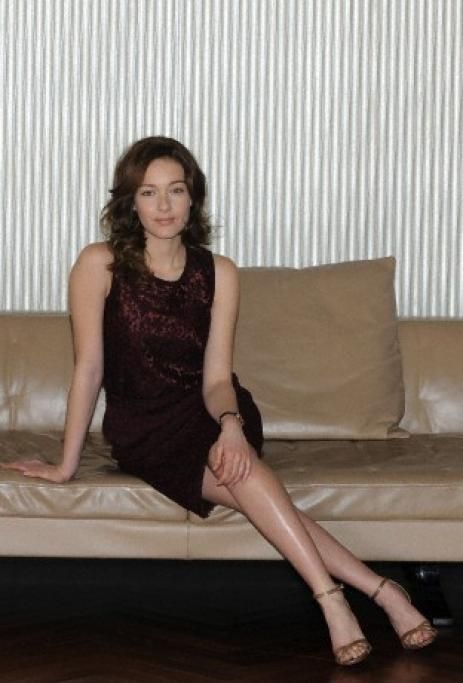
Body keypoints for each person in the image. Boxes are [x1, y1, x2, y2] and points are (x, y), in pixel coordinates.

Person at [4, 137, 437, 666]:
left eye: (176, 190)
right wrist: (66, 465)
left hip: (211, 410)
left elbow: (215, 379)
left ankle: (334, 601)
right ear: (131, 203)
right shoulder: (101, 264)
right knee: (252, 485)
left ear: (193, 198)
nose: (164, 206)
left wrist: (232, 425)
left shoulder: (220, 272)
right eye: (149, 192)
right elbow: (89, 368)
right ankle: (381, 591)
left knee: (240, 470)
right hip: (143, 428)